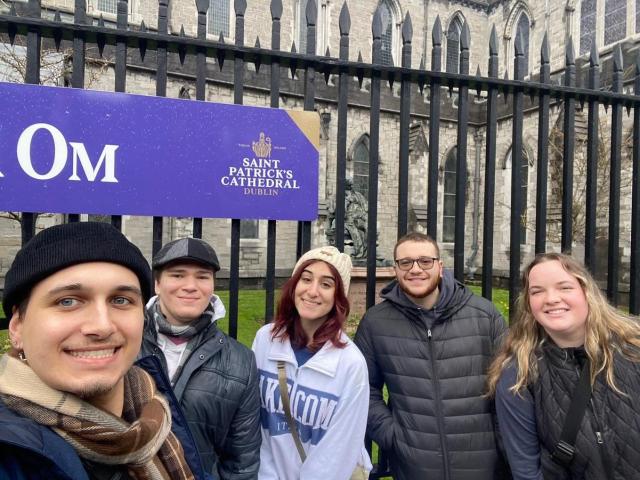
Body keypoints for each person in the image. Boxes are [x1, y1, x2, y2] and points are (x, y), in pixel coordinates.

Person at [0, 221, 206, 480]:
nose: (102, 326)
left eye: (121, 300)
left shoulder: (157, 413)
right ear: (17, 327)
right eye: (68, 301)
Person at [354, 232, 508, 480]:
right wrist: (393, 436)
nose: (415, 269)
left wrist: (499, 442)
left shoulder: (484, 315)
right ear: (396, 269)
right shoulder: (375, 323)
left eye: (425, 261)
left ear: (440, 266)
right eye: (406, 262)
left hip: (483, 464)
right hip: (414, 466)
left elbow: (509, 385)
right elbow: (363, 389)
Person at [486, 253, 640, 479]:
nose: (551, 299)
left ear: (586, 292)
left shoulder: (632, 352)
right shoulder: (518, 375)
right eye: (537, 291)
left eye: (564, 287)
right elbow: (526, 471)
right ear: (529, 304)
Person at [140, 237, 261, 479]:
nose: (190, 286)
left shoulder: (241, 362)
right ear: (157, 284)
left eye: (202, 276)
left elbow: (241, 462)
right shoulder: (124, 343)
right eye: (177, 275)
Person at [252, 246, 372, 480]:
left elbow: (339, 450)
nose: (312, 291)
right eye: (306, 279)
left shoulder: (350, 363)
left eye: (326, 284)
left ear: (338, 297)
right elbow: (255, 420)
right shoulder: (265, 340)